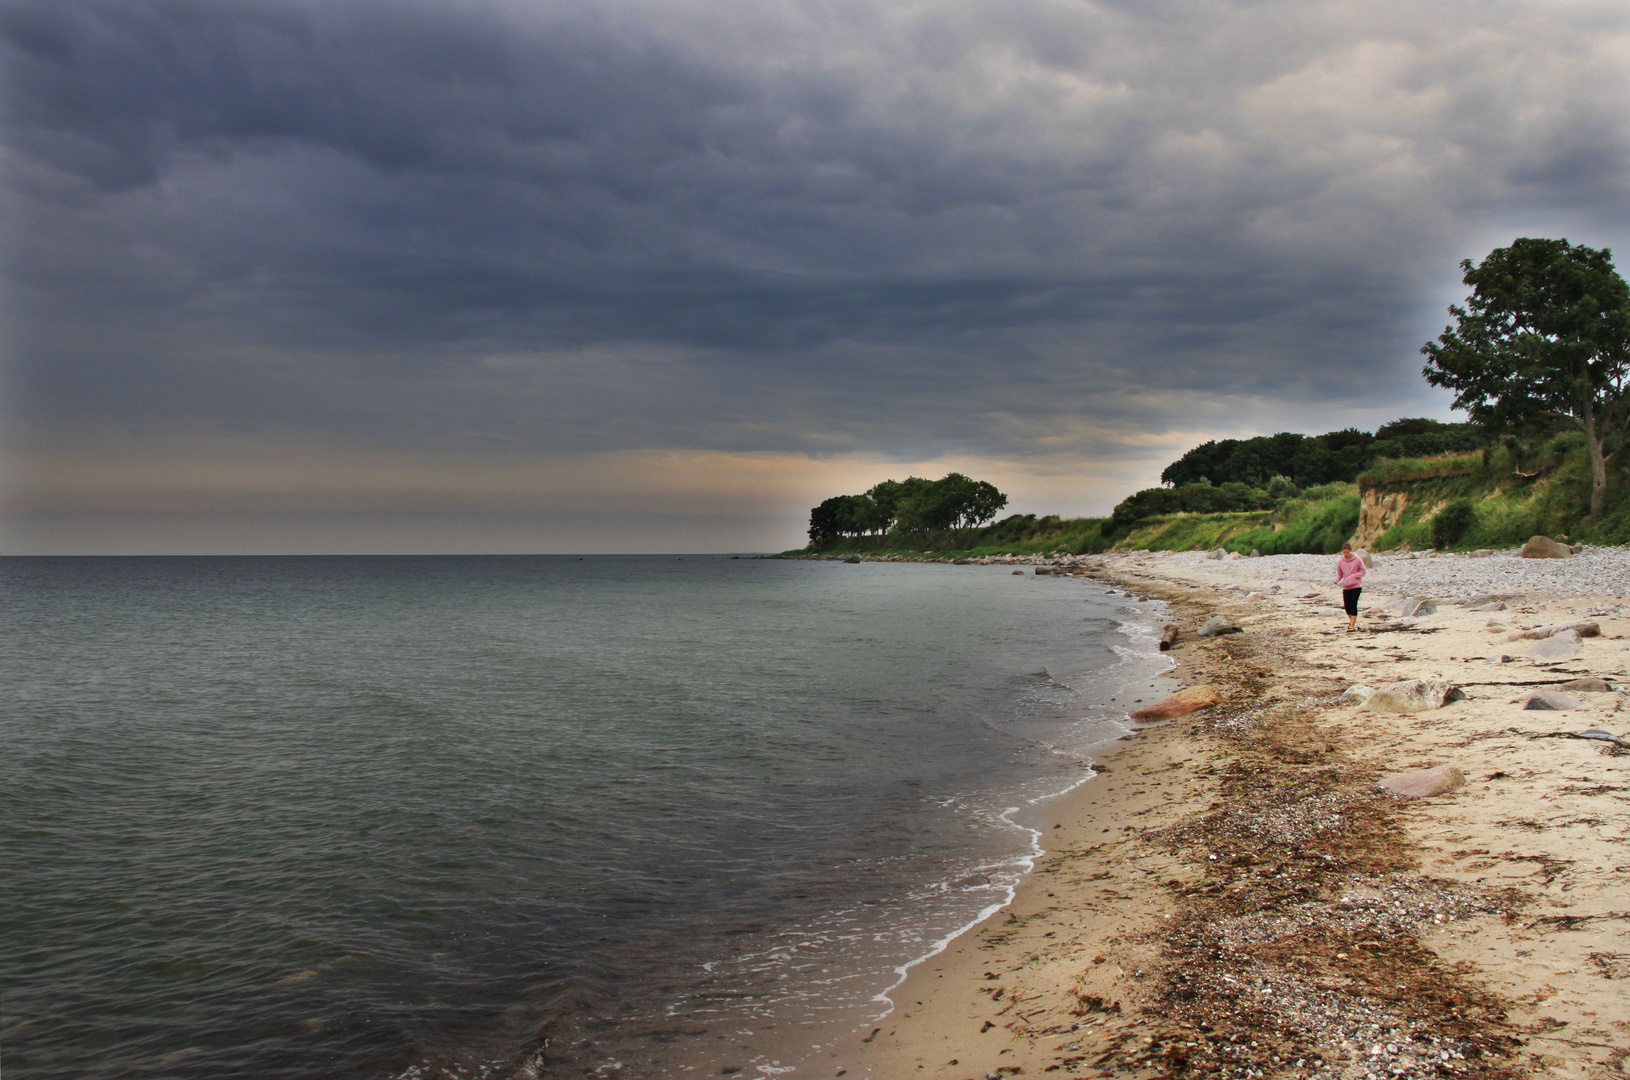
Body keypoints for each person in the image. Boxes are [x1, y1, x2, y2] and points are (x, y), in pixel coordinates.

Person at [1334, 542, 1366, 632]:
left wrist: (1356, 575)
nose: (1346, 554)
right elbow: (1340, 574)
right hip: (1346, 586)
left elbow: (1363, 571)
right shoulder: (1341, 561)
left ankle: (1351, 625)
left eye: (1347, 552)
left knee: (1353, 604)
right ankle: (1352, 620)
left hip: (1356, 585)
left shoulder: (1358, 560)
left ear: (1351, 551)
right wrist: (1337, 580)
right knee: (1347, 607)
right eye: (1344, 553)